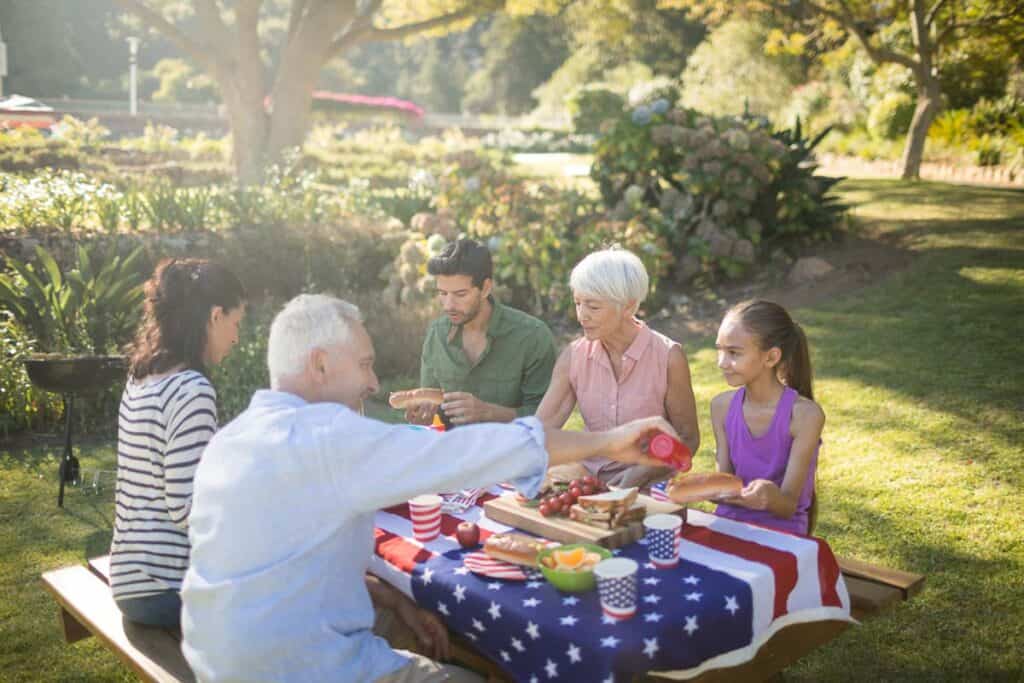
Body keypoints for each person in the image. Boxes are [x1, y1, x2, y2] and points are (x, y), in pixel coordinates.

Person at [180, 293, 676, 683]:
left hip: (222, 659)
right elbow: (468, 454)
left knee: (434, 629)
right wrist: (610, 441)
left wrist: (394, 601)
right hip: (300, 669)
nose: (374, 383)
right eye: (366, 363)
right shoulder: (327, 438)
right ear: (321, 364)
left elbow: (281, 567)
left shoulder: (230, 441)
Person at [109, 258, 246, 628]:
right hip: (165, 587)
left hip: (129, 577)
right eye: (236, 323)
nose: (236, 337)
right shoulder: (191, 389)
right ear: (216, 316)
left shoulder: (143, 378)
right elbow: (188, 511)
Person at [535, 248, 700, 488]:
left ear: (628, 306)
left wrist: (641, 474)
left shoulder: (669, 357)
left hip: (649, 482)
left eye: (593, 307)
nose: (581, 316)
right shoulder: (573, 357)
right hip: (587, 477)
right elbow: (540, 434)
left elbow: (688, 439)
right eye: (578, 303)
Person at [409, 238, 557, 427]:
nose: (448, 306)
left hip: (513, 452)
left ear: (486, 288)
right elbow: (433, 415)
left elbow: (549, 417)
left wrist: (488, 412)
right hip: (453, 452)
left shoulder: (532, 337)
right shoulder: (436, 334)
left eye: (460, 294)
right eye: (442, 294)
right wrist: (426, 417)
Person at [710, 299, 824, 535]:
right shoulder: (721, 406)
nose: (722, 363)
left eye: (733, 353)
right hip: (728, 524)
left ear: (771, 358)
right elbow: (723, 483)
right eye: (719, 350)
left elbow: (788, 506)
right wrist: (713, 489)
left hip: (782, 532)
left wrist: (770, 497)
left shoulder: (805, 416)